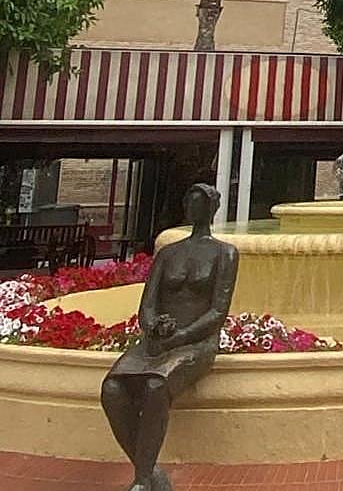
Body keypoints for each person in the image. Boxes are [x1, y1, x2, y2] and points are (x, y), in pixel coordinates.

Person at [101, 184, 239, 491]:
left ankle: (141, 481)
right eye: (188, 201)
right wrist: (153, 326)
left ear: (211, 208)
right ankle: (150, 474)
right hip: (157, 341)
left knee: (155, 385)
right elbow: (147, 304)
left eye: (198, 202)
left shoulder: (225, 253)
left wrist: (181, 336)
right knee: (111, 390)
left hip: (196, 341)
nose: (191, 206)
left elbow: (218, 312)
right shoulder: (168, 253)